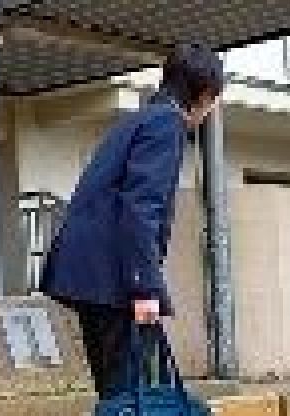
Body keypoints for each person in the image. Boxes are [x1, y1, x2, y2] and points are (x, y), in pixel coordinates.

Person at [39, 44, 224, 399]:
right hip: (112, 277)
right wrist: (144, 289)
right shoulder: (166, 125)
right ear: (203, 94)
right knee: (127, 390)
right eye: (213, 99)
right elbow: (141, 208)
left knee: (117, 388)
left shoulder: (138, 119)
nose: (211, 109)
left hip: (91, 272)